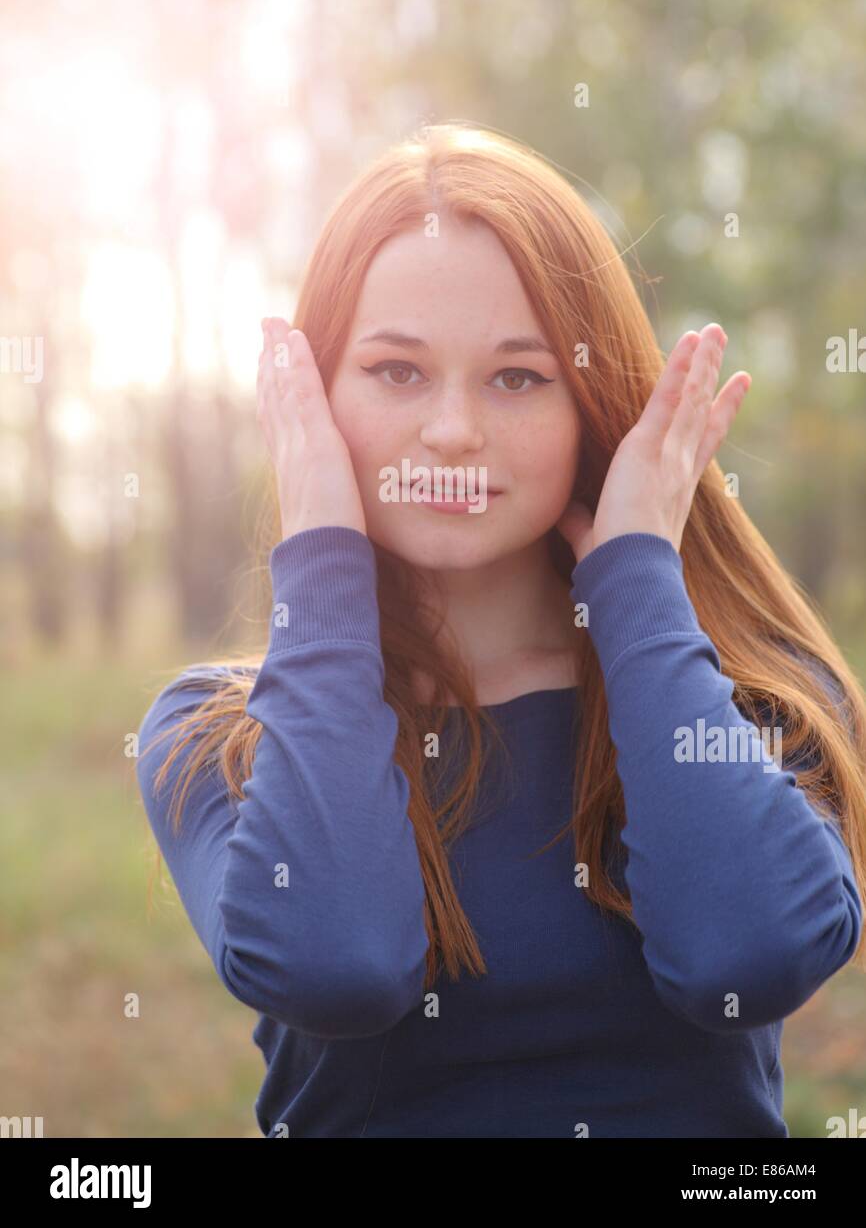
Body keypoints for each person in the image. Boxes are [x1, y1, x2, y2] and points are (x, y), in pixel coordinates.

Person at [136, 122, 866, 1138]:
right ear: (310, 394)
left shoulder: (757, 696)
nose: (450, 430)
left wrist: (636, 582)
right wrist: (324, 556)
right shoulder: (212, 735)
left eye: (516, 377)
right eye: (396, 371)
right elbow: (335, 964)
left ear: (591, 405)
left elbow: (742, 962)